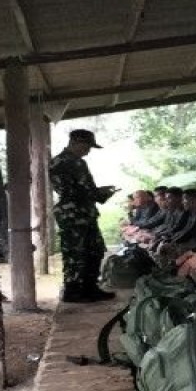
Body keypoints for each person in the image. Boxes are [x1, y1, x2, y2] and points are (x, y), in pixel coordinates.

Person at [48, 129, 117, 302]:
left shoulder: (57, 161)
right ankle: (78, 291)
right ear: (76, 143)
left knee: (83, 251)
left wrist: (96, 193)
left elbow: (75, 189)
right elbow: (86, 191)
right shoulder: (75, 162)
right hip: (77, 213)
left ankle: (85, 288)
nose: (88, 151)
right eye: (87, 146)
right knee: (82, 252)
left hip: (72, 212)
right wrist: (103, 194)